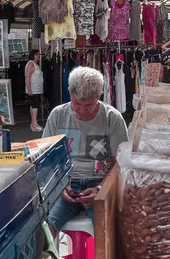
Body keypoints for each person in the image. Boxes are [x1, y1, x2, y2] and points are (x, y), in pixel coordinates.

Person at [44, 67, 129, 234]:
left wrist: (100, 189)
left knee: (109, 233)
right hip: (65, 184)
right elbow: (47, 160)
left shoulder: (112, 118)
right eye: (77, 104)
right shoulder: (57, 115)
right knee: (43, 232)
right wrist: (59, 187)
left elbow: (120, 164)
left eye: (89, 105)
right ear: (69, 93)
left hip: (101, 183)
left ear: (99, 96)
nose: (82, 111)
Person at [25, 49, 45, 132]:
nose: (38, 56)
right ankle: (35, 123)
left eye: (39, 54)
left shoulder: (34, 64)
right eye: (37, 54)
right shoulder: (31, 64)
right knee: (35, 105)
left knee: (33, 105)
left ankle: (33, 122)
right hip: (33, 89)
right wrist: (29, 89)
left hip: (36, 89)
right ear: (33, 55)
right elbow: (27, 76)